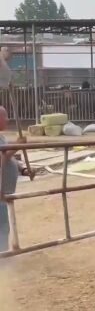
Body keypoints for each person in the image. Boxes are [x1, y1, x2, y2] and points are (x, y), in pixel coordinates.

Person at [0, 106, 26, 252]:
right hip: (0, 193)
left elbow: (9, 159)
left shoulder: (1, 137)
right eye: (5, 116)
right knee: (1, 226)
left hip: (5, 192)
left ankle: (3, 254)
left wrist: (23, 169)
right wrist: (17, 146)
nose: (8, 119)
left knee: (4, 225)